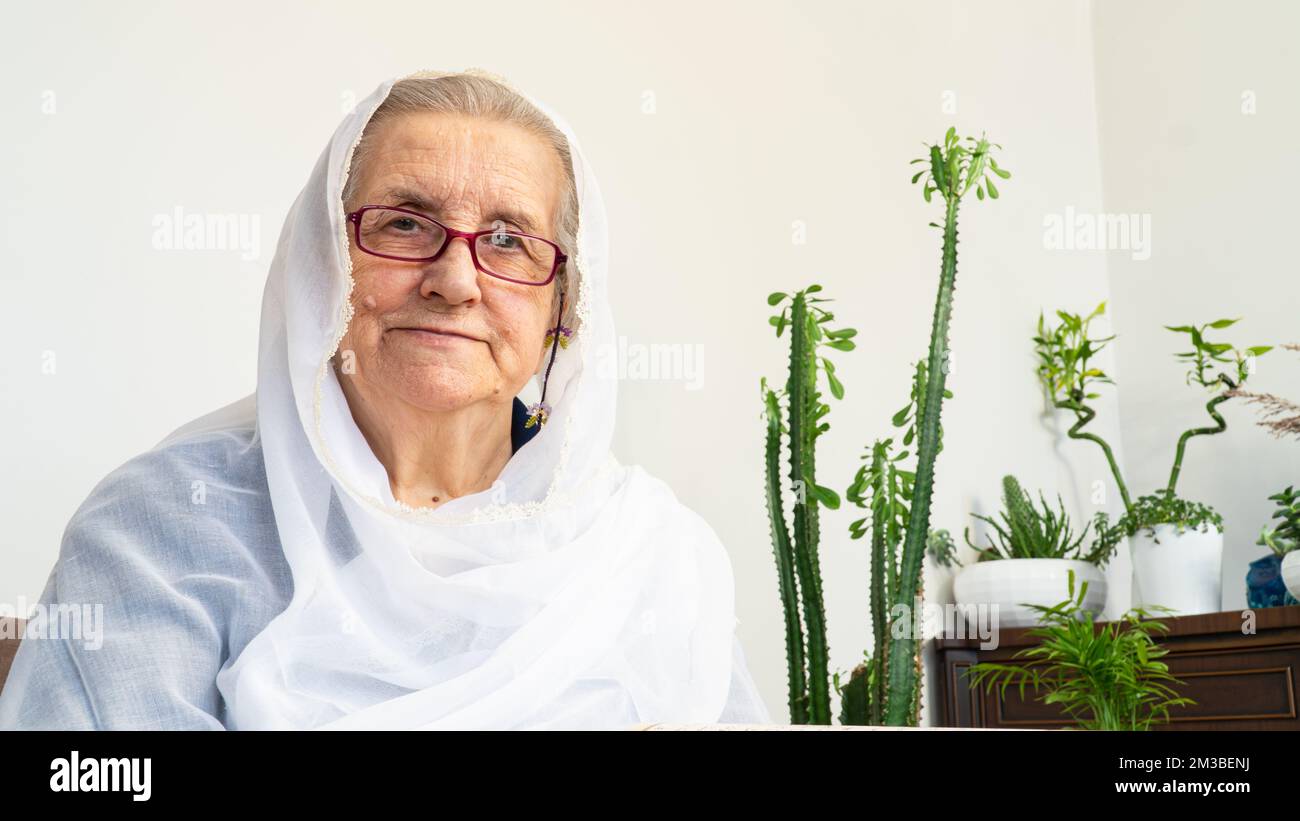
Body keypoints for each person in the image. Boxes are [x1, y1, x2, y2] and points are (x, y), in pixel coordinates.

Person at [0, 68, 772, 730]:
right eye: (404, 224)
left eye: (509, 240)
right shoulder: (161, 530)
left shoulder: (648, 555)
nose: (456, 281)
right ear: (322, 267)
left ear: (562, 313)